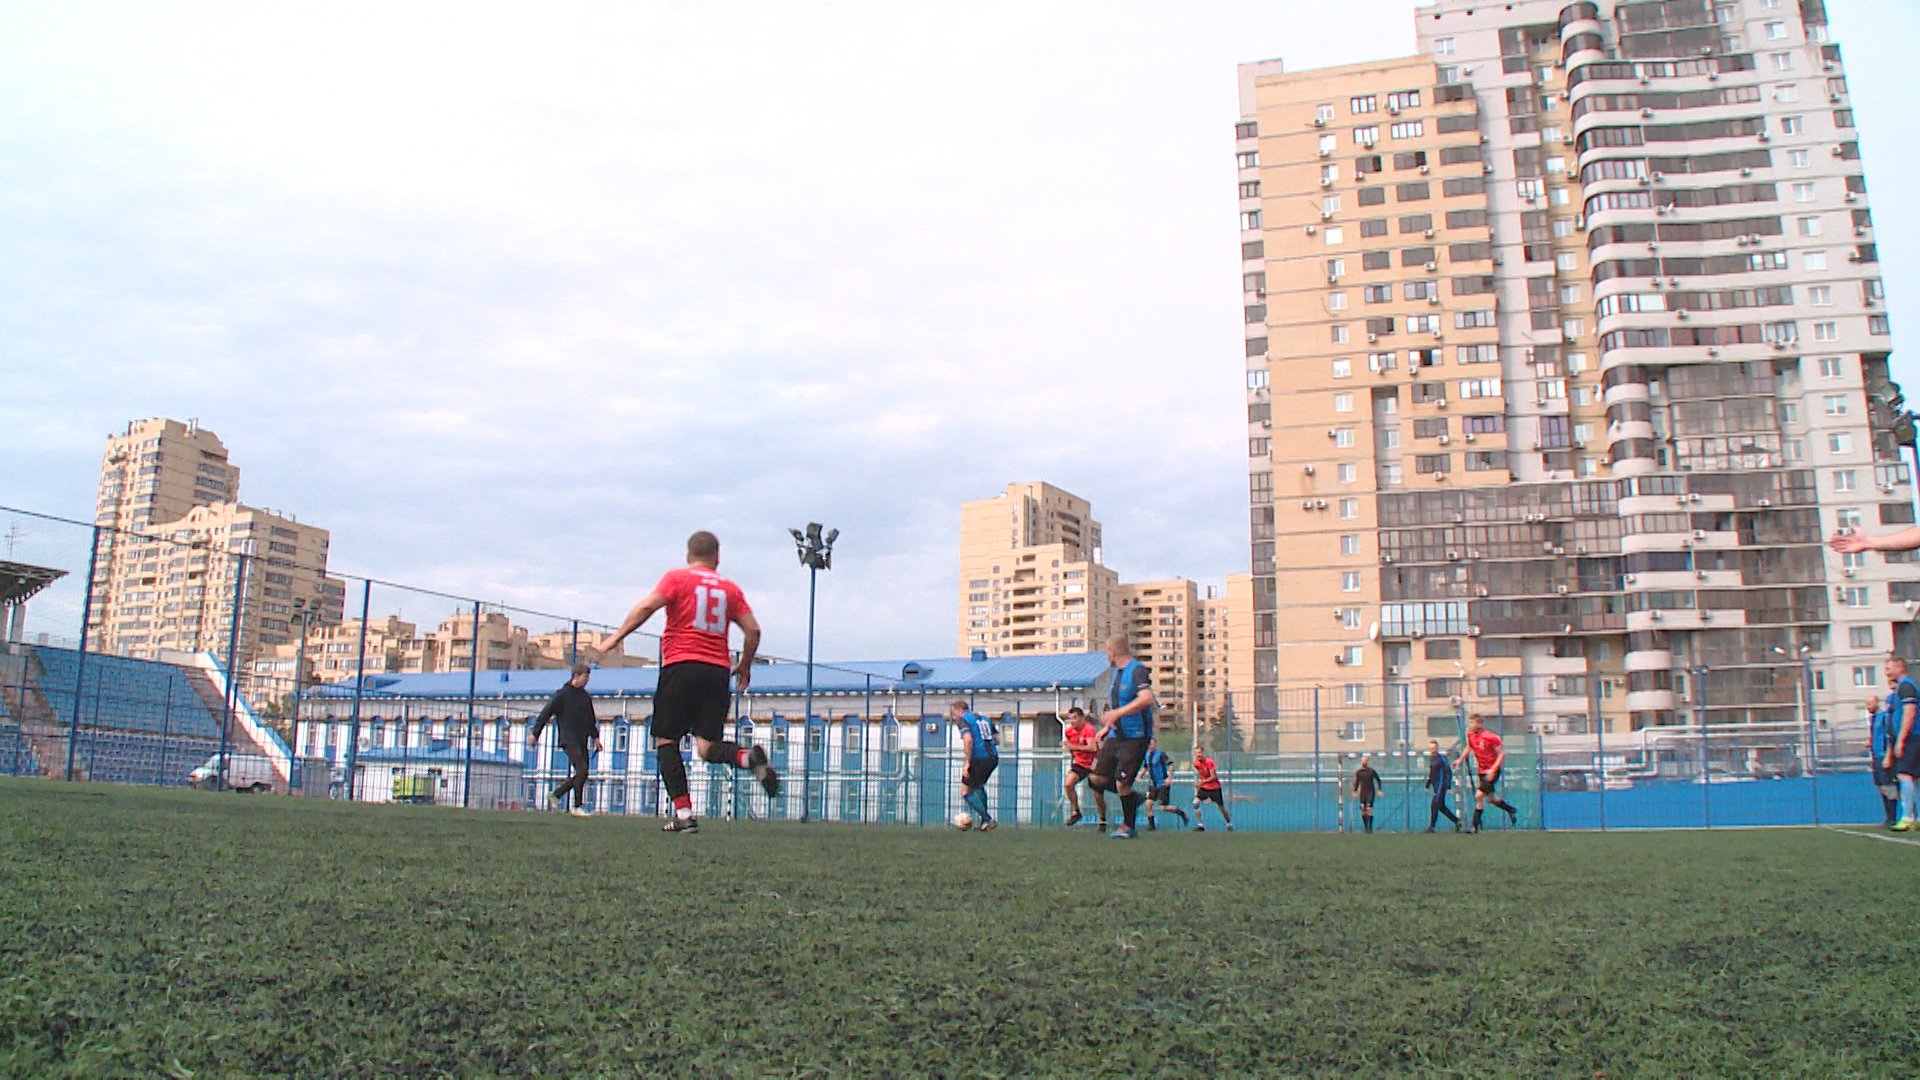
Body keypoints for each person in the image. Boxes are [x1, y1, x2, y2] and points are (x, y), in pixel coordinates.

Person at [590, 531, 779, 834]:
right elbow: (753, 630)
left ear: (688, 555)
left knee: (667, 739)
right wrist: (744, 665)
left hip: (681, 664)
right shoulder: (730, 589)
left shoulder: (677, 579)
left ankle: (684, 813)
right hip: (717, 671)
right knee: (706, 746)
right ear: (717, 559)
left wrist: (613, 639)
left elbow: (646, 607)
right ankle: (746, 758)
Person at [1088, 634, 1155, 840]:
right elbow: (1117, 706)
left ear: (1112, 651)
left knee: (1121, 783)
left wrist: (1117, 714)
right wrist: (1108, 726)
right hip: (1117, 735)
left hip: (1136, 737)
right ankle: (1133, 798)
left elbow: (1146, 699)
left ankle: (1128, 826)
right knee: (1096, 778)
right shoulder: (1116, 674)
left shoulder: (1137, 670)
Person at [527, 662, 601, 816]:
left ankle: (556, 795)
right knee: (582, 770)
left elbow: (590, 719)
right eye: (585, 677)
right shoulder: (562, 694)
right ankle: (577, 806)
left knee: (583, 773)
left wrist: (596, 737)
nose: (587, 681)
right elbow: (546, 713)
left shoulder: (585, 697)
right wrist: (535, 733)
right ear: (576, 676)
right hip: (568, 739)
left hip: (582, 739)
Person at [1456, 713, 1518, 833]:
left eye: (1472, 723)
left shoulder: (1491, 737)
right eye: (1469, 723)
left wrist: (1493, 769)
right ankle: (1510, 810)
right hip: (1482, 771)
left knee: (1478, 796)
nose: (1470, 725)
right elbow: (1469, 747)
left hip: (1492, 771)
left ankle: (1474, 827)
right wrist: (1460, 760)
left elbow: (1502, 754)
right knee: (1490, 799)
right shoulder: (1470, 735)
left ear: (1479, 724)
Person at [950, 699, 999, 831]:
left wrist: (967, 762)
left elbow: (968, 739)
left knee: (965, 791)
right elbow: (997, 739)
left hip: (979, 758)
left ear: (959, 711)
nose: (954, 718)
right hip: (993, 757)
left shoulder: (963, 719)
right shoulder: (985, 719)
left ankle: (987, 818)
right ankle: (985, 821)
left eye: (954, 714)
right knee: (978, 785)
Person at [1060, 706, 1108, 828]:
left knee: (1098, 795)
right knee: (1068, 784)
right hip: (1080, 763)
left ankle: (1102, 820)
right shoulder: (1069, 732)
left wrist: (1073, 747)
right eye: (1070, 719)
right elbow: (1071, 748)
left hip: (1094, 764)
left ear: (1082, 718)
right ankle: (1076, 812)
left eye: (1075, 718)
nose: (1072, 721)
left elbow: (1092, 748)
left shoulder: (1088, 729)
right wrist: (1071, 751)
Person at [1888, 657, 1920, 831]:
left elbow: (1909, 713)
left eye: (1889, 667)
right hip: (1914, 736)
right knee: (1913, 777)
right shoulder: (1904, 686)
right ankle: (1915, 818)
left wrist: (1901, 739)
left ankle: (1907, 817)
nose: (1887, 671)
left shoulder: (1906, 686)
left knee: (1904, 775)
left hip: (1912, 737)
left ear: (1900, 667)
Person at [1139, 738, 1187, 831]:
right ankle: (1151, 826)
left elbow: (1171, 765)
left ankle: (1181, 812)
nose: (1150, 746)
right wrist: (1139, 776)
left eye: (1152, 744)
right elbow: (1145, 767)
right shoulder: (1146, 755)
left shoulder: (1161, 754)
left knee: (1163, 808)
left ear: (1155, 744)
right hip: (1153, 785)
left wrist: (1169, 778)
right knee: (1148, 804)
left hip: (1162, 784)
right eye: (1149, 744)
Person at [1868, 690, 1898, 828]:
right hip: (1875, 757)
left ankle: (1893, 818)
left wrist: (1888, 756)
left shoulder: (1885, 717)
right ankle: (1888, 818)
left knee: (1888, 786)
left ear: (1876, 703)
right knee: (1881, 787)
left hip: (1883, 756)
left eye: (1869, 704)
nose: (1867, 707)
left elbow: (1889, 736)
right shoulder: (1874, 719)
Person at [1191, 746, 1232, 831]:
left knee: (1221, 808)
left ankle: (1229, 823)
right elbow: (1202, 775)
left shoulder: (1209, 762)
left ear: (1203, 753)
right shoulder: (1196, 763)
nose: (1198, 755)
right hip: (1205, 788)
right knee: (1195, 803)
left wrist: (1201, 782)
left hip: (1215, 788)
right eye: (1196, 753)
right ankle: (1200, 825)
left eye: (1199, 753)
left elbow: (1213, 777)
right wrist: (1199, 787)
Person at [1424, 739, 1461, 833]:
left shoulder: (1441, 758)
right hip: (1436, 786)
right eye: (1431, 748)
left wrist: (1448, 786)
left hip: (1441, 786)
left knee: (1434, 805)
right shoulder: (1432, 758)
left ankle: (1431, 827)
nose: (1432, 749)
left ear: (1437, 748)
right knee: (1441, 807)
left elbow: (1448, 772)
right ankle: (1457, 821)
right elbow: (1432, 773)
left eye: (1434, 747)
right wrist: (1428, 784)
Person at [1352, 754, 1382, 833]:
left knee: (1369, 809)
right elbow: (1357, 782)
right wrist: (1355, 791)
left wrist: (1379, 790)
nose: (1364, 762)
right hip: (1363, 793)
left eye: (1365, 760)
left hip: (1370, 792)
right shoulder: (1359, 772)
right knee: (1363, 810)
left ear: (1367, 762)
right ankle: (1365, 827)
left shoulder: (1371, 771)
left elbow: (1378, 780)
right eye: (1363, 761)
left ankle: (1370, 827)